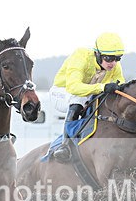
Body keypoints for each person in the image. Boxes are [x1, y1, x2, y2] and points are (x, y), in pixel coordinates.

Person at [50, 33, 126, 161]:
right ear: (97, 54)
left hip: (87, 94)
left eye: (117, 58)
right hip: (62, 92)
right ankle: (65, 145)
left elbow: (122, 86)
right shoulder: (80, 57)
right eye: (108, 58)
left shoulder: (114, 65)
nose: (113, 63)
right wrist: (102, 87)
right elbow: (73, 87)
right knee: (77, 98)